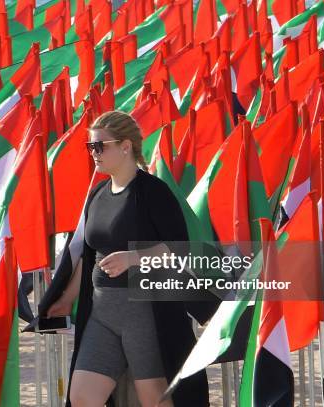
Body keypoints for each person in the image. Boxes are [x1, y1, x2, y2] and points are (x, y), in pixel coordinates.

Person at [38, 111, 216, 407]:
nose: (94, 153)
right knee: (82, 396)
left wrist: (134, 257)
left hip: (144, 311)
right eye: (90, 147)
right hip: (101, 312)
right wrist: (67, 297)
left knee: (154, 399)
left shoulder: (153, 192)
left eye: (100, 146)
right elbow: (89, 254)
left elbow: (180, 246)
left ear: (126, 146)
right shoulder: (97, 194)